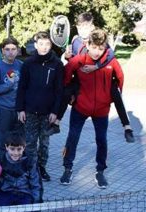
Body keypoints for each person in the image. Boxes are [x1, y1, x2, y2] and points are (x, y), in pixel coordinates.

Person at [53, 12, 134, 143]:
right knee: (66, 89)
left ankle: (127, 127)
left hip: (99, 81)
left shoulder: (98, 39)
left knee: (115, 92)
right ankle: (56, 122)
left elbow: (110, 55)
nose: (83, 30)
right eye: (80, 27)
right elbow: (74, 62)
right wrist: (67, 58)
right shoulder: (75, 41)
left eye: (86, 27)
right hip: (81, 81)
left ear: (92, 27)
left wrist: (96, 67)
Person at [60, 29, 124, 189]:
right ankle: (67, 168)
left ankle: (100, 171)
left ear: (105, 48)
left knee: (102, 140)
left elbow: (120, 80)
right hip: (80, 107)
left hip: (102, 110)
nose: (96, 52)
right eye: (93, 47)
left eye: (100, 49)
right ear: (87, 44)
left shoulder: (111, 62)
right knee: (72, 138)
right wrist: (72, 95)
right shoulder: (78, 60)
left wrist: (110, 98)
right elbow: (66, 78)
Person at [16, 31, 64, 182]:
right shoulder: (28, 64)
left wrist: (55, 112)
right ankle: (31, 169)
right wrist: (20, 109)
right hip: (29, 111)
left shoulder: (57, 64)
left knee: (44, 142)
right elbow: (22, 87)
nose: (44, 47)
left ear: (51, 45)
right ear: (36, 45)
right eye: (41, 44)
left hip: (47, 112)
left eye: (47, 44)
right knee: (30, 143)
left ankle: (41, 168)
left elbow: (59, 91)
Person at [0, 133, 47, 212]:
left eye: (19, 149)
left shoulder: (30, 162)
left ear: (24, 147)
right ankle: (10, 210)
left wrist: (37, 209)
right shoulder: (1, 161)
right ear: (6, 147)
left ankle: (18, 211)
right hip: (6, 193)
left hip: (24, 194)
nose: (16, 153)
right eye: (12, 149)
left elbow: (36, 185)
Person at [0, 36, 23, 161]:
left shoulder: (21, 65)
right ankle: (2, 166)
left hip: (19, 109)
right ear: (2, 51)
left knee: (19, 139)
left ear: (17, 50)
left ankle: (18, 165)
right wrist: (8, 85)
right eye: (7, 49)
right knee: (4, 139)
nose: (10, 52)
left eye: (13, 49)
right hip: (4, 109)